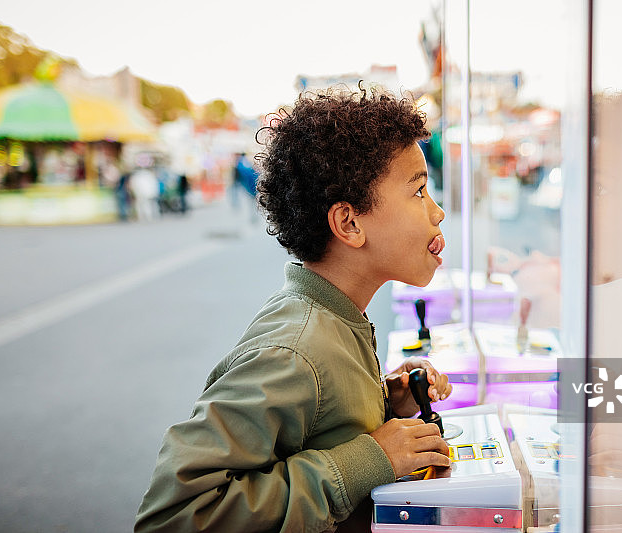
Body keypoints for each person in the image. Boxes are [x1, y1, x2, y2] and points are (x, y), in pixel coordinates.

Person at [135, 84, 452, 533]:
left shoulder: (339, 318)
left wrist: (386, 403)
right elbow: (175, 517)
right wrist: (370, 459)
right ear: (349, 223)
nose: (437, 213)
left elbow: (316, 427)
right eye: (419, 191)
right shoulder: (295, 351)